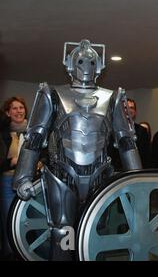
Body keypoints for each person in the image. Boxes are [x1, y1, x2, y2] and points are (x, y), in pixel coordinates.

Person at [13, 40, 142, 260]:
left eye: (90, 62)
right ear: (70, 65)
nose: (85, 67)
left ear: (99, 66)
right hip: (61, 176)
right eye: (80, 61)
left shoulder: (112, 97)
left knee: (93, 233)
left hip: (100, 176)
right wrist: (23, 176)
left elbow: (126, 141)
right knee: (64, 233)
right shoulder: (53, 94)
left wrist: (138, 181)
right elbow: (34, 138)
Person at [0, 97, 28, 259]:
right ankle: (10, 255)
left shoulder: (35, 131)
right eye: (14, 108)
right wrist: (13, 162)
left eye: (21, 108)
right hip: (7, 182)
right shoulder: (3, 134)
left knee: (30, 220)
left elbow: (46, 156)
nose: (19, 111)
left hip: (32, 181)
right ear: (8, 112)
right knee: (8, 221)